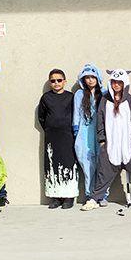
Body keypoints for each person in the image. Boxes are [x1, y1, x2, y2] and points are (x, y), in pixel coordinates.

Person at [87, 69, 131, 210]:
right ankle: (95, 198)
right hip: (110, 145)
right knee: (103, 172)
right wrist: (102, 140)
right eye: (114, 82)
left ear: (125, 83)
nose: (116, 85)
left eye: (119, 82)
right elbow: (100, 121)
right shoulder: (105, 100)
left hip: (128, 145)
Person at [38, 69, 78, 209]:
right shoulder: (45, 98)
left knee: (68, 164)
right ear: (50, 83)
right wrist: (50, 128)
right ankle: (55, 197)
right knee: (52, 165)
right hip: (51, 137)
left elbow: (76, 114)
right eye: (53, 81)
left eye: (59, 80)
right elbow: (41, 117)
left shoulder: (71, 97)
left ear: (64, 82)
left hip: (68, 136)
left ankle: (69, 197)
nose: (56, 83)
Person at [73, 64, 110, 207]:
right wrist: (75, 130)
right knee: (88, 165)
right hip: (84, 134)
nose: (90, 80)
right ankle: (91, 194)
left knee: (103, 164)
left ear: (98, 78)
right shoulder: (79, 94)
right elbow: (76, 113)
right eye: (87, 77)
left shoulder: (105, 93)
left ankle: (102, 194)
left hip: (101, 134)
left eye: (92, 77)